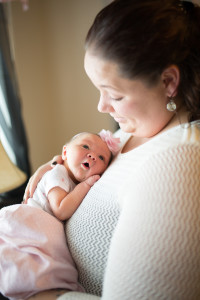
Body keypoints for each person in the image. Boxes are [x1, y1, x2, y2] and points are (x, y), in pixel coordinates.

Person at [23, 0, 200, 299]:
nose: (101, 106)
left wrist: (34, 290)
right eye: (98, 89)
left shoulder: (180, 162)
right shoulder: (135, 128)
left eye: (114, 95)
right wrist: (58, 165)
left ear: (169, 81)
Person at [0, 130, 120, 300]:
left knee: (40, 272)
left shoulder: (68, 179)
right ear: (64, 153)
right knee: (24, 266)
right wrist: (85, 186)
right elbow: (60, 209)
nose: (93, 155)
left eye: (102, 158)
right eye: (85, 146)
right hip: (27, 224)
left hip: (39, 229)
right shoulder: (58, 173)